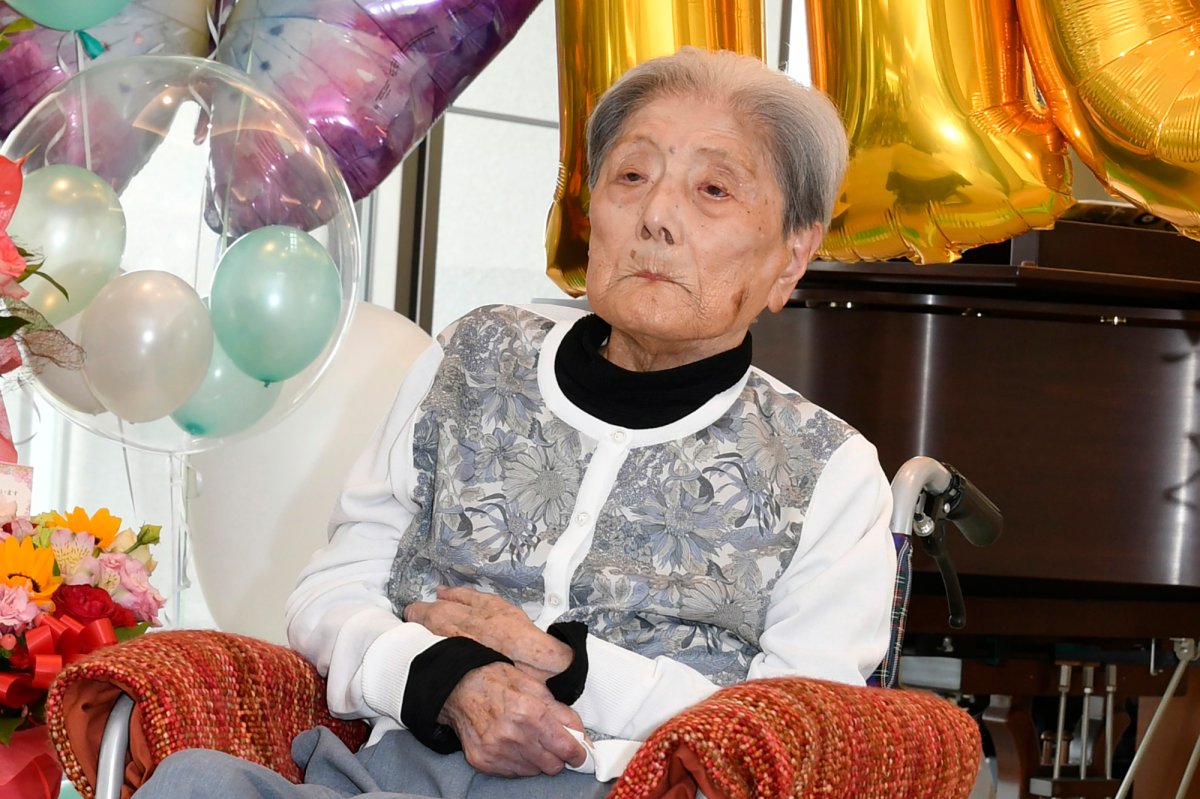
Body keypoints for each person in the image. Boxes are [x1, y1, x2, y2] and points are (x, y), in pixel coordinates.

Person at [135, 46, 897, 798]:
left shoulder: (828, 470)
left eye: (714, 190)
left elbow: (801, 736)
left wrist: (569, 667)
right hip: (382, 776)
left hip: (614, 787)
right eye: (632, 176)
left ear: (792, 258)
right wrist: (443, 677)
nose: (657, 217)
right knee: (191, 783)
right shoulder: (479, 353)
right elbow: (332, 590)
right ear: (590, 208)